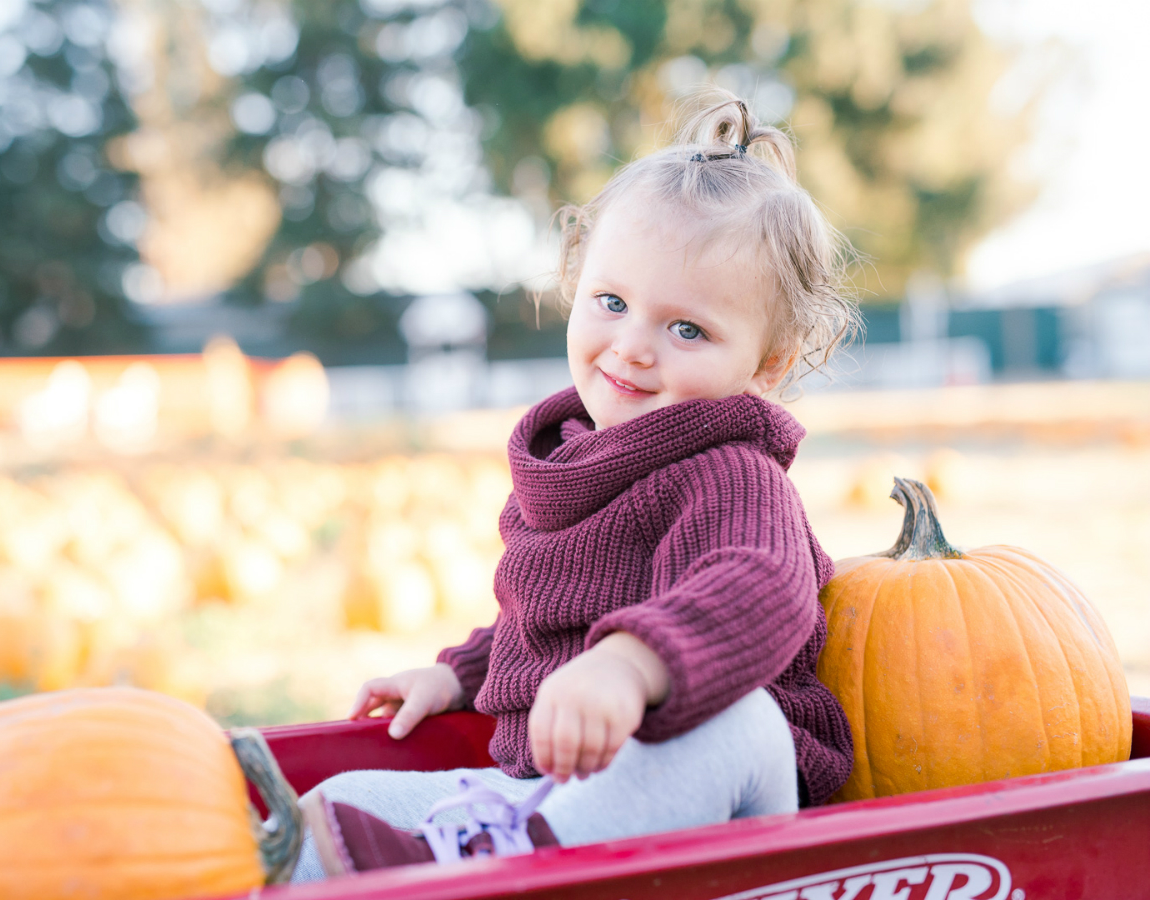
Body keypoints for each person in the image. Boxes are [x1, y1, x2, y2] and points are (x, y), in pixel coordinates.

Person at [292, 87, 860, 881]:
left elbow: (758, 588)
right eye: (612, 302)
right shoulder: (571, 460)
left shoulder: (731, 472)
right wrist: (458, 672)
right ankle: (503, 857)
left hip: (719, 805)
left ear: (768, 363)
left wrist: (631, 665)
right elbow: (542, 620)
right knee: (345, 799)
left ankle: (518, 867)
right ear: (575, 282)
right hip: (555, 795)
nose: (631, 348)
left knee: (740, 723)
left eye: (686, 328)